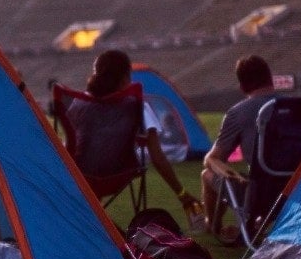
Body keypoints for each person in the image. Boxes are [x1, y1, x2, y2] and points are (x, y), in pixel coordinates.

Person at [65, 50, 202, 224]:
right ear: (124, 79)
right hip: (118, 174)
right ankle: (97, 224)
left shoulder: (79, 103)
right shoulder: (136, 106)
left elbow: (70, 143)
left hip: (80, 175)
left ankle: (89, 221)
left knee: (89, 189)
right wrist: (182, 194)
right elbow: (157, 157)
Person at [200, 55, 277, 233]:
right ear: (270, 79)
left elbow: (213, 159)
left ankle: (212, 225)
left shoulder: (238, 112)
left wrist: (232, 174)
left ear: (242, 87)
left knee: (208, 173)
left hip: (261, 196)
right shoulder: (296, 107)